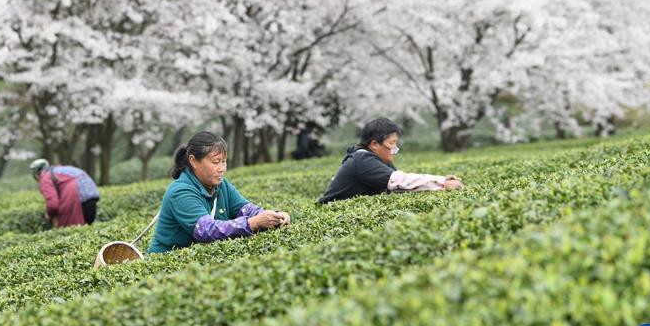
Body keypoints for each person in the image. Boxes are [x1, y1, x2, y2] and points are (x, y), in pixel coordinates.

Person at [148, 131, 290, 254]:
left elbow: (246, 209)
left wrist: (274, 216)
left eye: (224, 162)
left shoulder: (222, 185)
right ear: (194, 161)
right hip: (165, 267)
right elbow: (206, 230)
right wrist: (252, 223)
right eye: (216, 162)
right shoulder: (180, 192)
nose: (222, 168)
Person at [318, 117, 463, 204]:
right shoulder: (362, 160)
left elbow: (399, 187)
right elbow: (400, 181)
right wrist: (442, 183)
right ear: (375, 144)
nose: (395, 148)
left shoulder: (379, 160)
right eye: (392, 143)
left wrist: (442, 180)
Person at [30, 159, 100, 228]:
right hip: (92, 194)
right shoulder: (60, 170)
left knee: (70, 229)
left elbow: (53, 205)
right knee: (87, 228)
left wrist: (49, 214)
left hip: (77, 195)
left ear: (36, 175)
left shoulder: (45, 178)